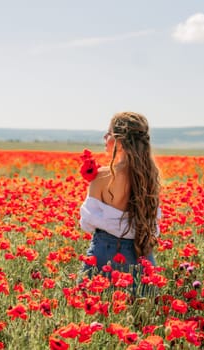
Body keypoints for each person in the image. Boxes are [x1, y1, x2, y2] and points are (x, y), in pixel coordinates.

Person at [78, 111, 161, 292]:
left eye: (108, 134)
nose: (104, 137)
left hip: (104, 254)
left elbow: (86, 223)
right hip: (142, 254)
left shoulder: (102, 176)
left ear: (120, 142)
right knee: (140, 314)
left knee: (98, 313)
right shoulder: (150, 177)